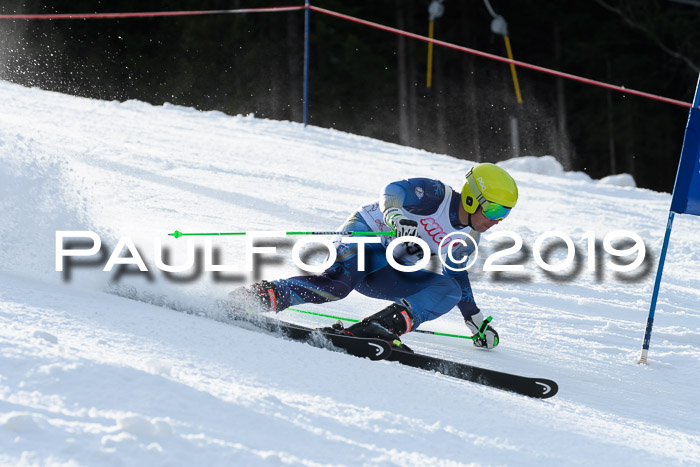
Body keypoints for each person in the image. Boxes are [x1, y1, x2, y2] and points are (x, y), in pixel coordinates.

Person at [230, 163, 518, 350]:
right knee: (336, 287)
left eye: (505, 213)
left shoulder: (467, 237)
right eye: (494, 210)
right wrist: (394, 216)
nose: (498, 220)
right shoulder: (437, 195)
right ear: (472, 198)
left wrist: (475, 320)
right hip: (363, 236)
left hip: (386, 270)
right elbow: (393, 190)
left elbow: (456, 275)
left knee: (449, 289)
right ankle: (257, 296)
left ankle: (379, 327)